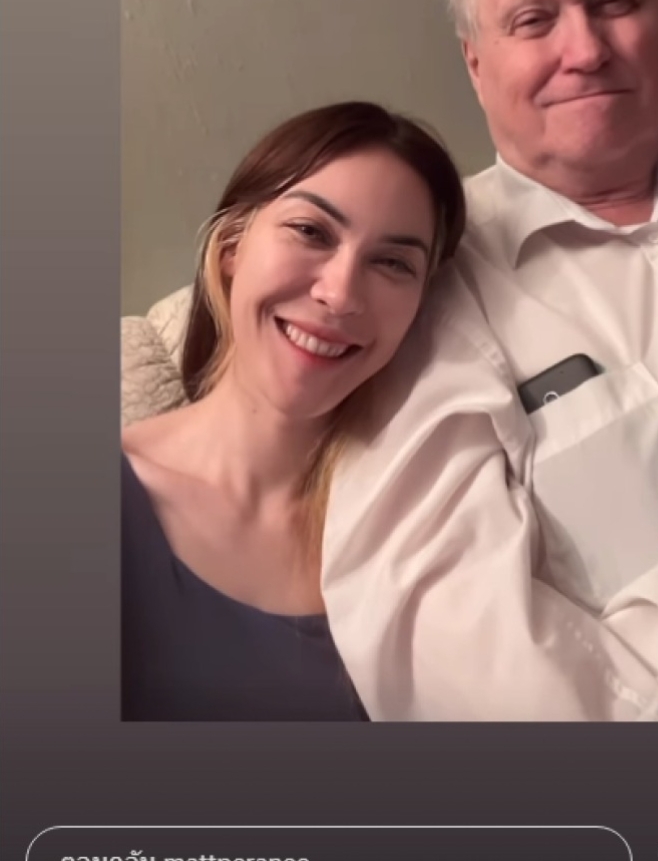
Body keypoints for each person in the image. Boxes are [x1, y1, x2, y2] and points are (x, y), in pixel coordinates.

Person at [321, 0, 658, 720]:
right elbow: (445, 646)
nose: (585, 50)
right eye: (534, 20)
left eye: (616, 2)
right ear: (476, 64)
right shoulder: (420, 280)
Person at [121, 101, 466, 720]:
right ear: (231, 247)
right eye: (311, 231)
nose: (340, 293)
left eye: (392, 263)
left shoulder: (420, 523)